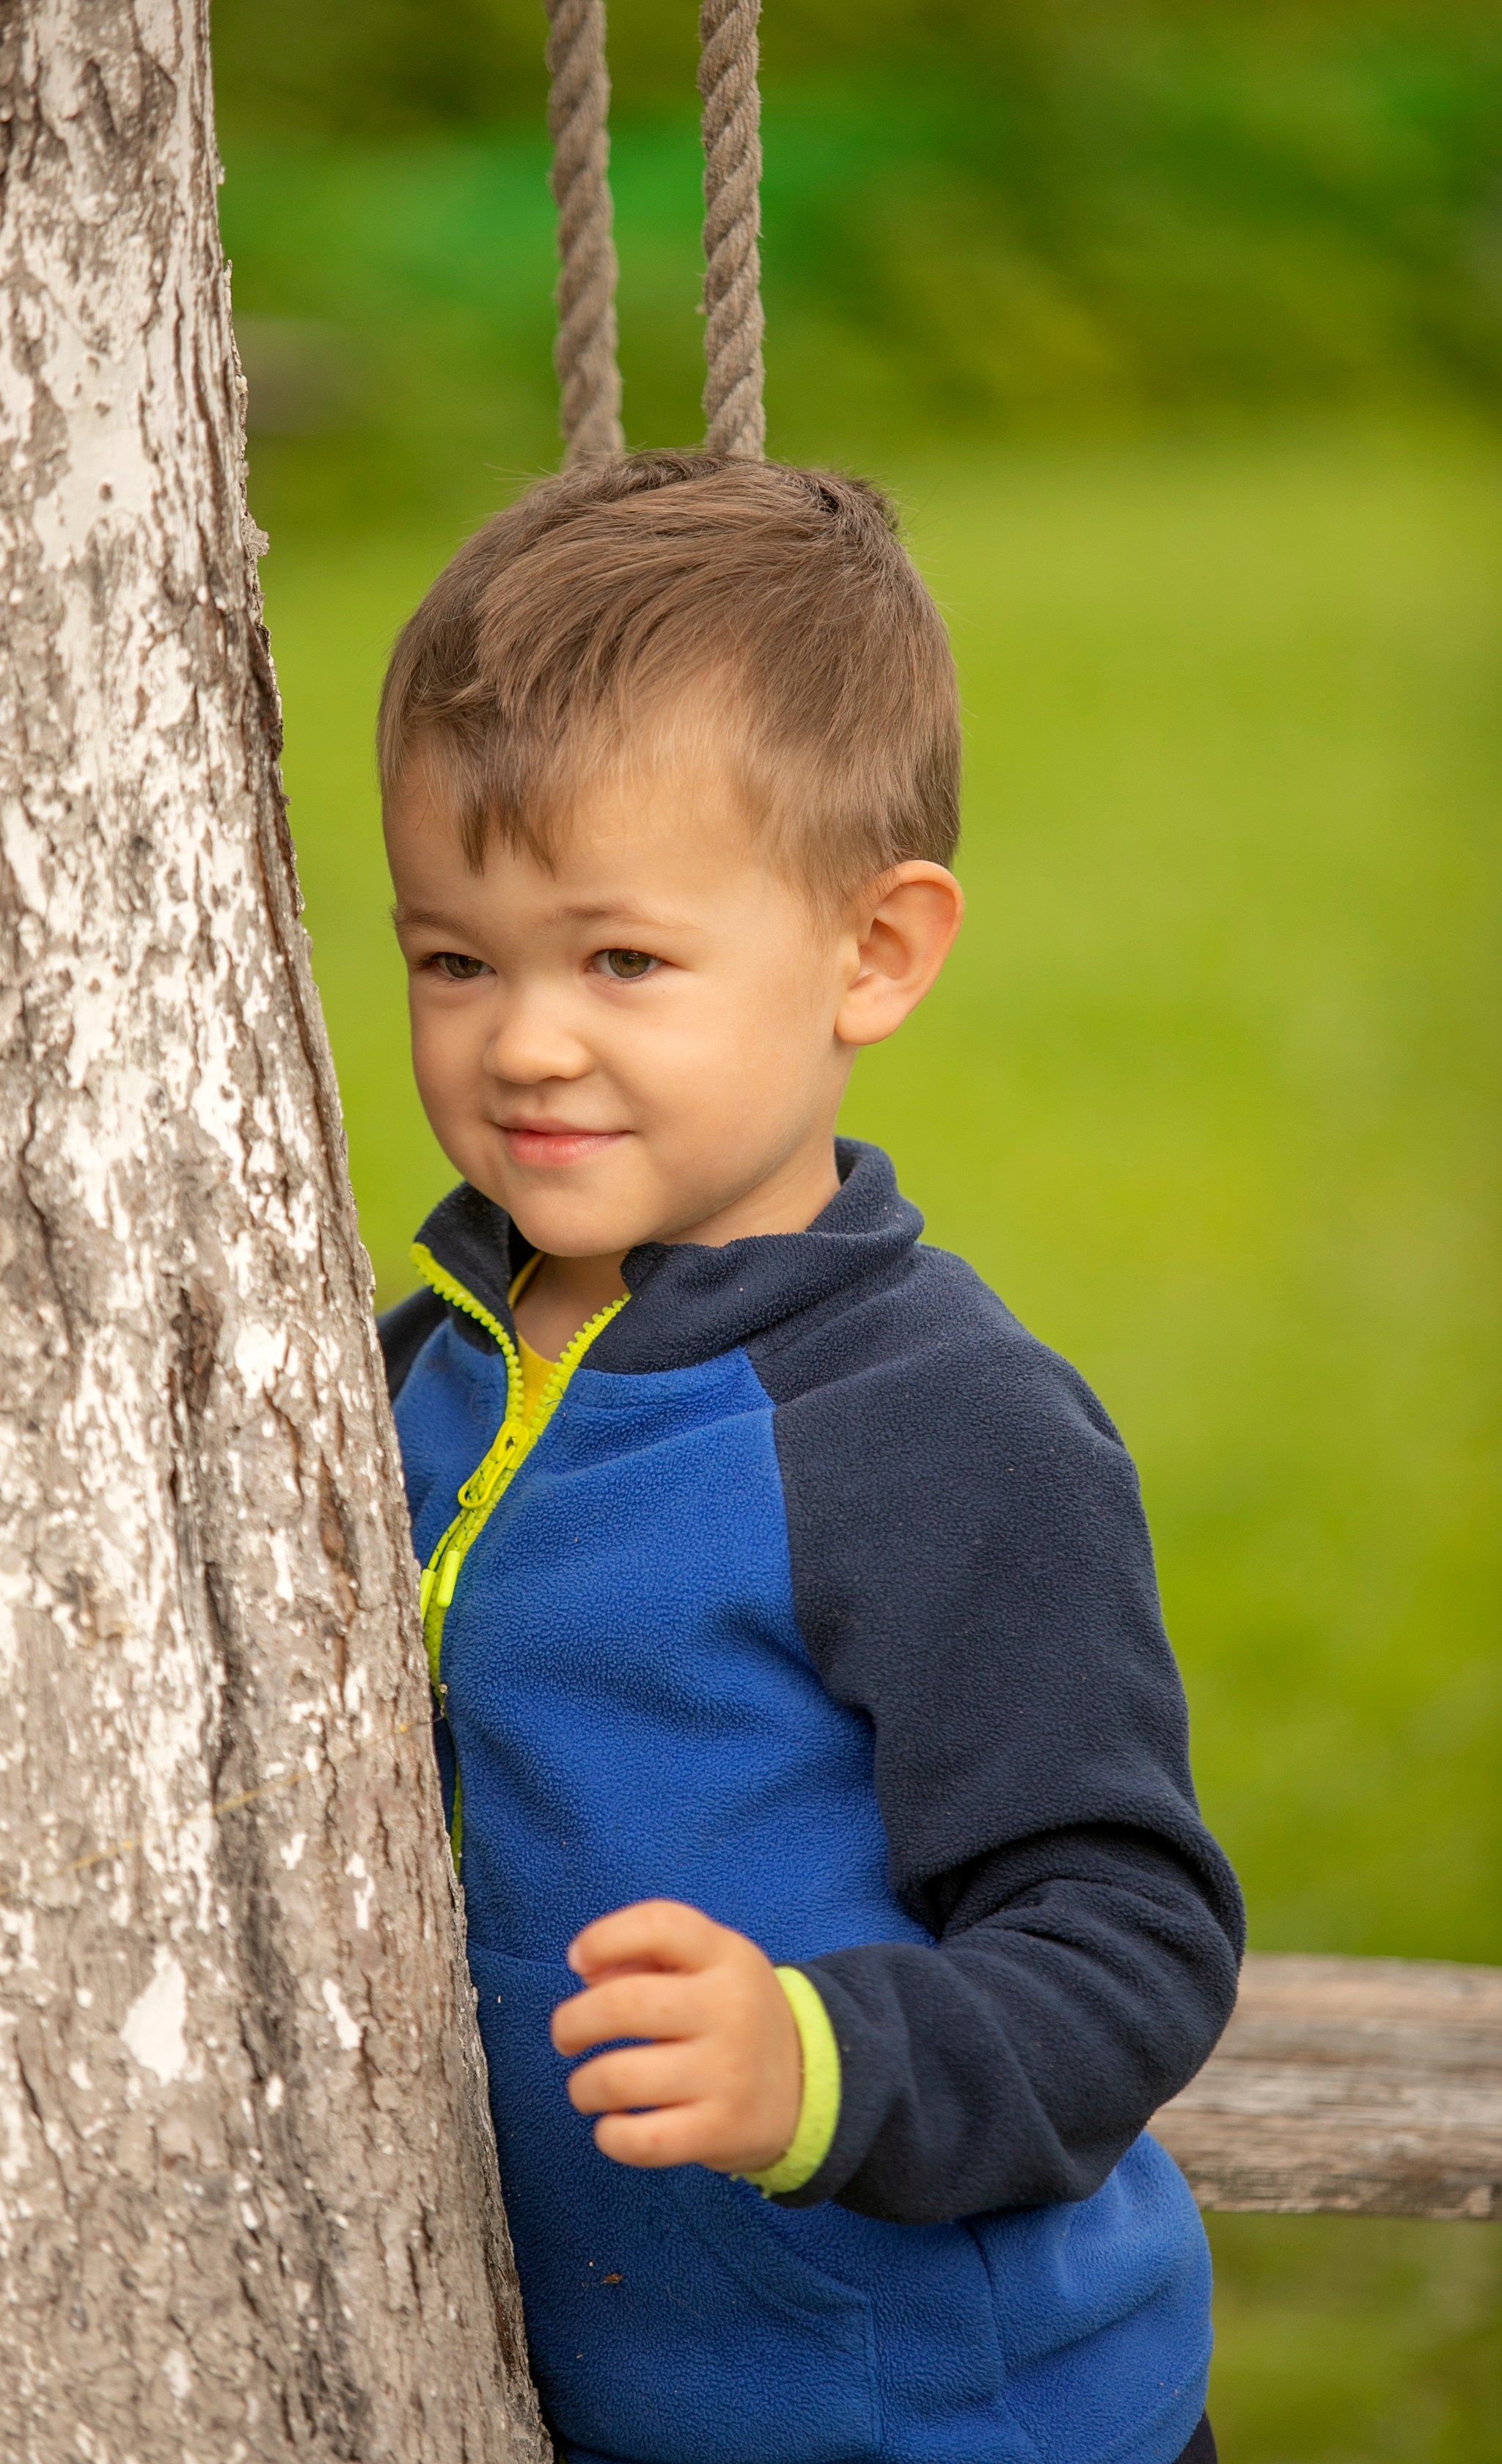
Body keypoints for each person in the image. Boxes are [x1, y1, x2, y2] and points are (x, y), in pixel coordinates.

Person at [375, 451, 1242, 2464]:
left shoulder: (937, 1431)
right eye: (454, 958)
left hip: (943, 2418)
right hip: (583, 2388)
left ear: (874, 955)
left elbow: (1127, 1937)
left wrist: (814, 2060)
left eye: (621, 961)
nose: (521, 1045)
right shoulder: (421, 1366)